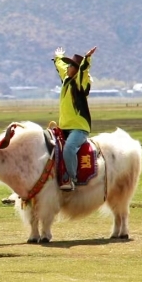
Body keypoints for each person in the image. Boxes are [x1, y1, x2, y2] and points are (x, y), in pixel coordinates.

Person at [53, 46, 97, 191]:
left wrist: (87, 58)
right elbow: (61, 67)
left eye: (71, 65)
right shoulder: (66, 79)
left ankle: (72, 179)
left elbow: (84, 71)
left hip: (79, 128)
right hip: (64, 126)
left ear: (76, 70)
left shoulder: (80, 82)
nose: (68, 67)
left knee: (69, 149)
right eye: (69, 65)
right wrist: (58, 57)